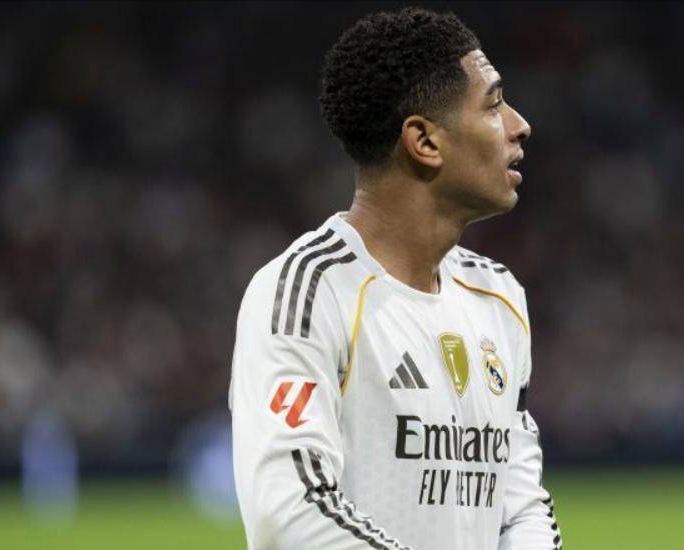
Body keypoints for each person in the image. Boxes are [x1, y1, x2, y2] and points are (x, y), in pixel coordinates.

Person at [229, 7, 560, 549]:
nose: (519, 124)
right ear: (424, 141)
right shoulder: (307, 292)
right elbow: (288, 515)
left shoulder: (498, 296)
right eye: (494, 104)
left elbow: (521, 507)